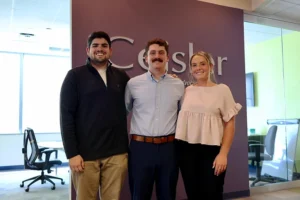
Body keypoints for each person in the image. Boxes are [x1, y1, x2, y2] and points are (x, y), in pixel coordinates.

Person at [60, 31, 130, 200]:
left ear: (110, 51)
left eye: (104, 46)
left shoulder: (121, 76)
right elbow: (66, 116)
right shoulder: (75, 76)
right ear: (88, 50)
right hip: (85, 156)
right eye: (95, 46)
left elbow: (140, 96)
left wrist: (165, 79)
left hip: (116, 154)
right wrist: (72, 153)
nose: (100, 49)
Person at [175, 51, 242, 199]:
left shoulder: (222, 90)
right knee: (193, 194)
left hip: (212, 152)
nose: (198, 68)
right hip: (186, 151)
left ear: (211, 66)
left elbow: (230, 124)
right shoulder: (187, 91)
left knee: (213, 193)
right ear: (191, 70)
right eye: (194, 65)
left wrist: (223, 154)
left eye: (202, 64)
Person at [125, 38, 185, 200]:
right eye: (152, 53)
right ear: (145, 57)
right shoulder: (133, 84)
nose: (156, 56)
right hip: (140, 149)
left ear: (167, 57)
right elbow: (123, 112)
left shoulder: (178, 85)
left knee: (167, 195)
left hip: (169, 149)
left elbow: (184, 116)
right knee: (139, 195)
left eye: (161, 53)